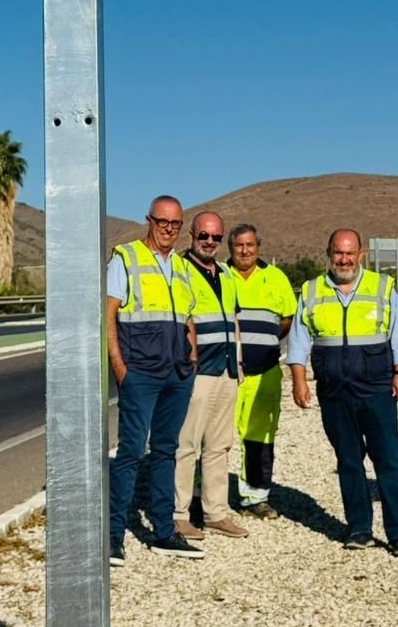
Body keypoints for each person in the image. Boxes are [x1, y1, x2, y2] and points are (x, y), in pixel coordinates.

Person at [288, 229, 398, 557]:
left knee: (388, 460)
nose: (344, 260)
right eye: (337, 253)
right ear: (328, 253)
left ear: (361, 255)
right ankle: (359, 527)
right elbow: (299, 338)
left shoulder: (382, 287)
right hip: (334, 390)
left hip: (375, 388)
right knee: (348, 461)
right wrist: (299, 380)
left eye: (350, 253)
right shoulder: (312, 290)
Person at [105, 195, 203, 565]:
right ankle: (114, 537)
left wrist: (191, 356)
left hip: (176, 373)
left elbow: (187, 315)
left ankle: (163, 532)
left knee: (166, 450)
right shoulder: (126, 258)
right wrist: (119, 365)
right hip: (140, 371)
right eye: (162, 222)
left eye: (175, 224)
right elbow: (109, 313)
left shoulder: (180, 266)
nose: (169, 229)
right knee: (131, 451)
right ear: (149, 220)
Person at [173, 212, 248, 540]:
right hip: (198, 372)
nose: (210, 242)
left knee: (219, 446)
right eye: (204, 235)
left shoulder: (227, 274)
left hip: (227, 370)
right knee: (187, 444)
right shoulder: (180, 270)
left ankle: (216, 512)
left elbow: (234, 321)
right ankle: (178, 514)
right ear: (192, 235)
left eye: (216, 237)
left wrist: (240, 363)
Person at [227, 223, 298, 518]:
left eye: (250, 245)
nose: (245, 250)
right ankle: (200, 499)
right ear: (230, 248)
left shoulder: (275, 277)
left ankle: (254, 498)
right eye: (239, 245)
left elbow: (289, 318)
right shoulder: (218, 274)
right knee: (210, 438)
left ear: (259, 247)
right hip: (225, 373)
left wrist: (265, 340)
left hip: (265, 373)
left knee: (259, 437)